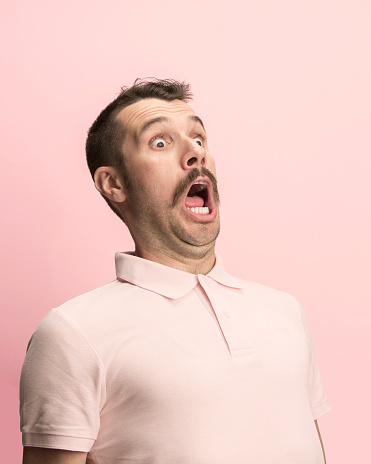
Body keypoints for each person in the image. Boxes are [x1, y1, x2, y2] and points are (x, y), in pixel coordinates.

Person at [20, 78, 330, 464]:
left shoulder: (286, 311)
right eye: (161, 142)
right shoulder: (71, 334)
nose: (195, 153)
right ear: (113, 183)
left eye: (199, 138)